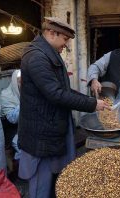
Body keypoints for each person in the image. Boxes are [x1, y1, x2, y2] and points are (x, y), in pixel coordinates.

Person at [18, 17, 109, 198]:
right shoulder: (37, 57)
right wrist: (92, 104)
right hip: (40, 133)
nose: (66, 45)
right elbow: (56, 94)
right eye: (65, 40)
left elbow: (63, 90)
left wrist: (92, 102)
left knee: (52, 178)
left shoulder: (47, 54)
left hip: (49, 126)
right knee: (40, 184)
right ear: (52, 33)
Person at [0, 69, 22, 160]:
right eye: (20, 81)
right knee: (25, 152)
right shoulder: (6, 96)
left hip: (26, 127)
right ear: (15, 82)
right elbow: (13, 119)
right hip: (11, 130)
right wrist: (25, 100)